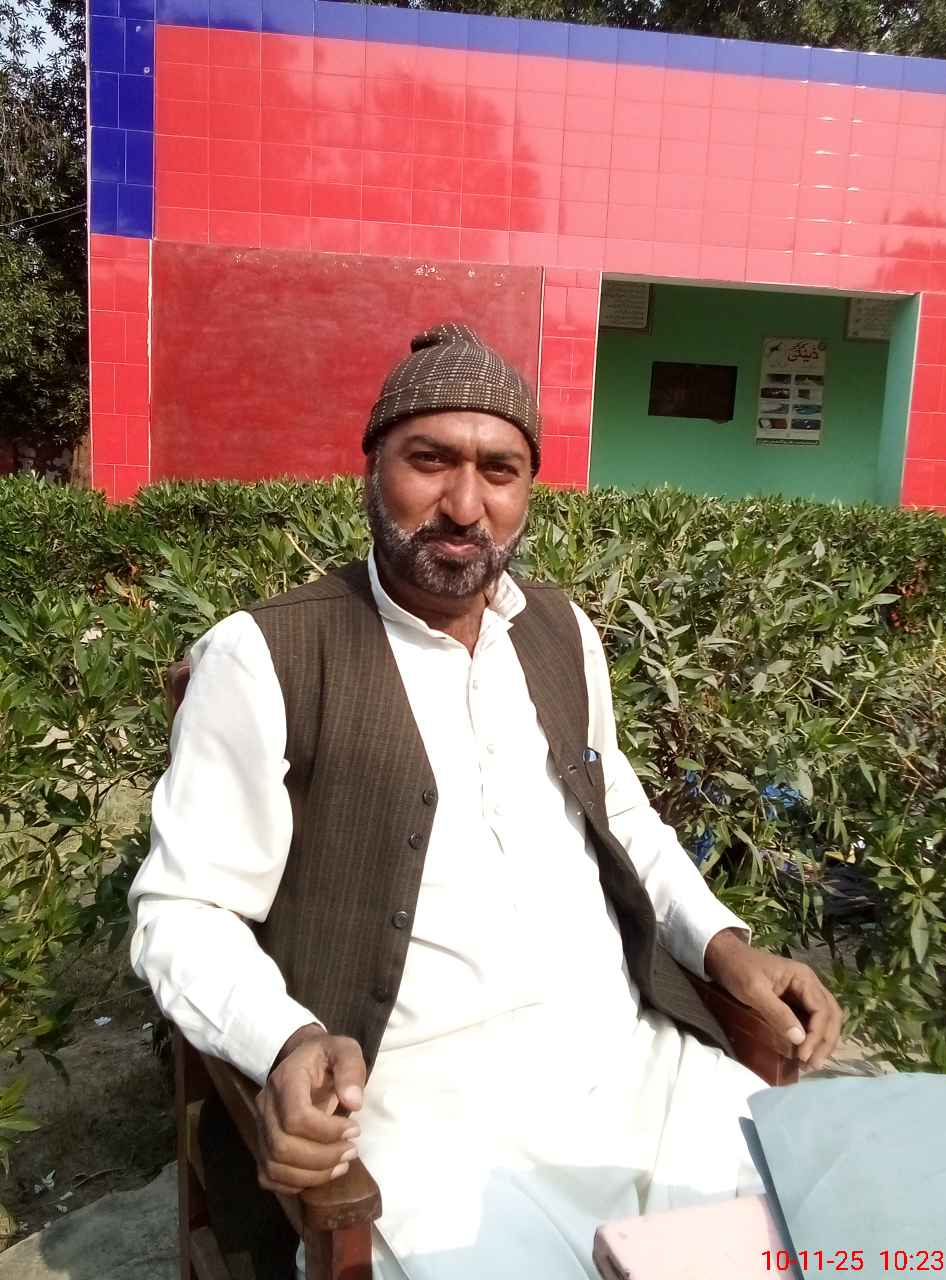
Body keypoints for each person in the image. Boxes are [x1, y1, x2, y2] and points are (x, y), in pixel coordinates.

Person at [129, 322, 843, 1280]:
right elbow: (184, 909)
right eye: (430, 461)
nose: (465, 506)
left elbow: (620, 813)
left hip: (636, 1070)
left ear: (528, 489)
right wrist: (287, 1042)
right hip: (422, 1122)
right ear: (372, 469)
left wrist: (723, 945)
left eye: (498, 471)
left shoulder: (559, 630)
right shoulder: (266, 657)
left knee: (820, 1229)